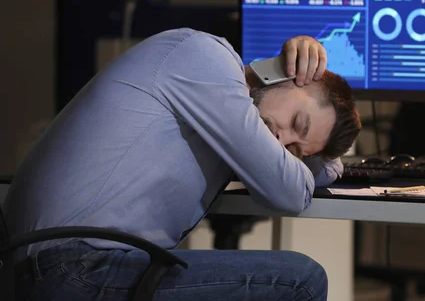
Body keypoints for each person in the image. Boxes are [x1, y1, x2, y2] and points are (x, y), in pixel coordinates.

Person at [4, 28, 362, 300]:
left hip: (71, 266)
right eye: (297, 124)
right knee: (301, 279)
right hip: (70, 268)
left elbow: (314, 171)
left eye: (296, 151)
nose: (281, 142)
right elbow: (288, 191)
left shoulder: (227, 129)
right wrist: (307, 164)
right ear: (290, 73)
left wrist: (321, 159)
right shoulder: (205, 60)